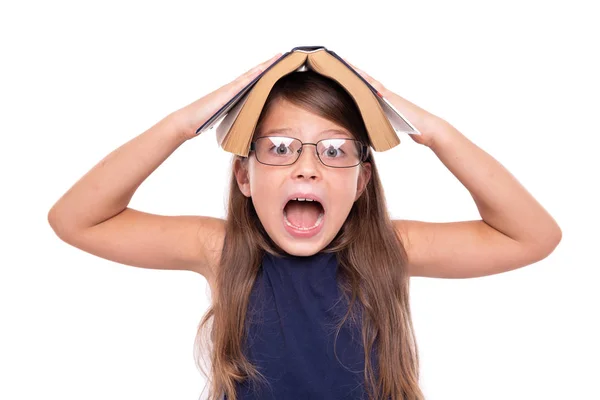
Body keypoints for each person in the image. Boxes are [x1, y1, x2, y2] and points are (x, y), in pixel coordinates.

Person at [47, 52, 562, 400]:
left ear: (361, 182)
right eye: (280, 147)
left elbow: (532, 235)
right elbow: (76, 219)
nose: (307, 167)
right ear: (244, 175)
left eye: (335, 150)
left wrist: (429, 130)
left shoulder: (391, 247)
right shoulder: (223, 249)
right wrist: (188, 123)